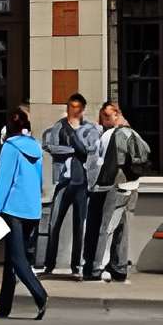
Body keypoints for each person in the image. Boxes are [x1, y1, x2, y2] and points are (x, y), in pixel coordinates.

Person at [0, 109, 48, 321]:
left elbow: (3, 182)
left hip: (13, 208)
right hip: (32, 209)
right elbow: (40, 180)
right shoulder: (36, 147)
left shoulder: (9, 148)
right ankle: (4, 307)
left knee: (17, 258)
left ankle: (40, 295)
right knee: (10, 261)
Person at [83, 100, 150, 282]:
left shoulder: (110, 134)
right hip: (131, 185)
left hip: (112, 185)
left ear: (116, 115)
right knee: (121, 226)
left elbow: (97, 163)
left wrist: (95, 185)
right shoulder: (132, 133)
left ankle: (96, 267)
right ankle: (119, 267)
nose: (103, 119)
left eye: (107, 115)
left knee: (106, 227)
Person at [36, 93, 99, 277]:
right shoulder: (60, 126)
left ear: (83, 109)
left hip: (82, 182)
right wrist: (72, 149)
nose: (74, 110)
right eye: (71, 106)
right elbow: (49, 146)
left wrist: (77, 147)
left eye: (77, 107)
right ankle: (49, 264)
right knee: (54, 223)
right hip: (64, 181)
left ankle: (76, 266)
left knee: (80, 226)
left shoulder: (89, 128)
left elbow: (90, 150)